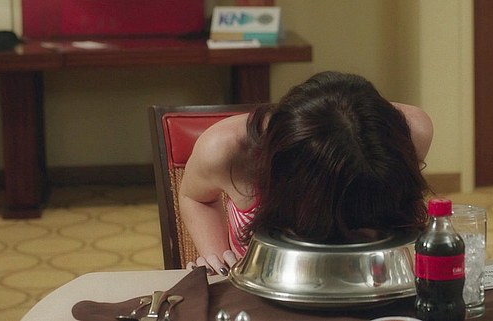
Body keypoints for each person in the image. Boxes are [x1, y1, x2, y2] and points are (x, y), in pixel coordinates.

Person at [178, 71, 434, 276]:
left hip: (376, 279)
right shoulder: (226, 149)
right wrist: (220, 261)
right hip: (271, 287)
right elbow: (196, 197)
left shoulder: (409, 133)